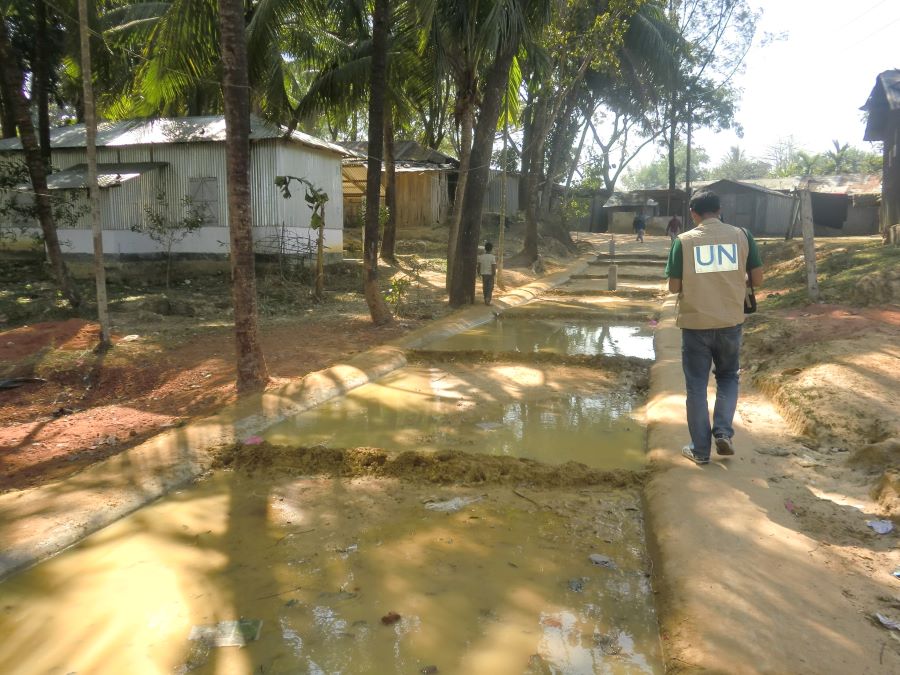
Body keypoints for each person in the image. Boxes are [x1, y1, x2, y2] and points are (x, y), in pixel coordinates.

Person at [664, 190, 764, 465]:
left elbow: (673, 286)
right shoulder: (742, 236)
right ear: (719, 210)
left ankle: (700, 450)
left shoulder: (683, 242)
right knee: (728, 377)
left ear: (693, 214)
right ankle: (722, 432)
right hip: (730, 321)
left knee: (696, 387)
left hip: (696, 324)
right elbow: (758, 279)